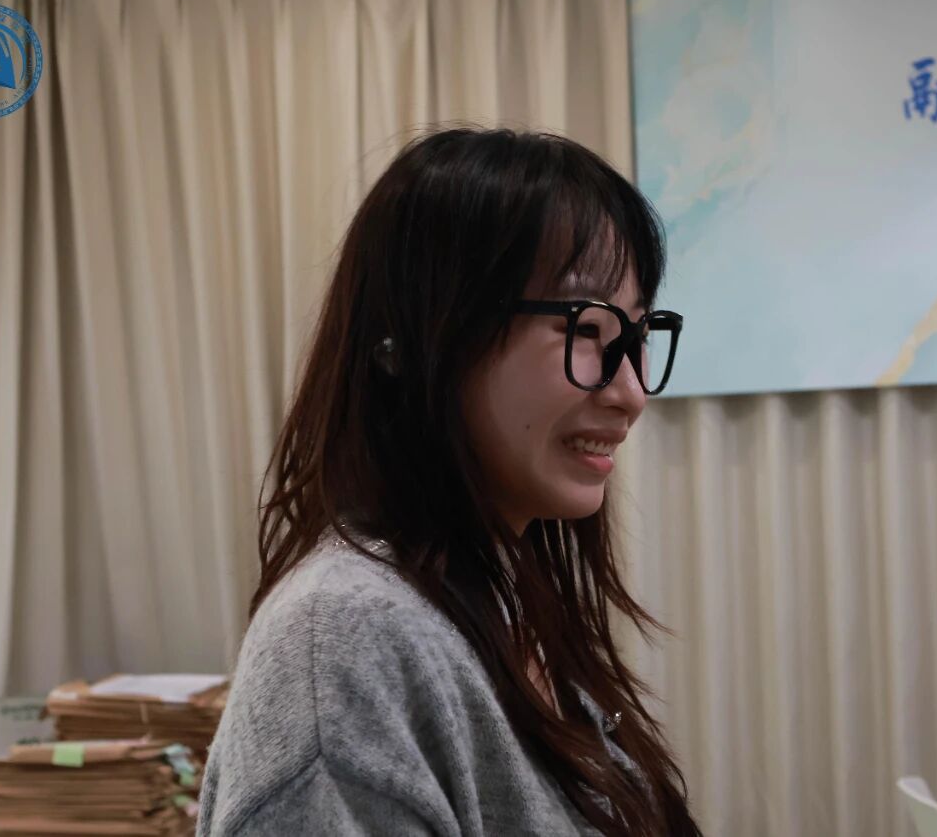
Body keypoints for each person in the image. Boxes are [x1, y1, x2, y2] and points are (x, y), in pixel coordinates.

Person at [196, 128, 700, 836]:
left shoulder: (503, 599)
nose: (631, 393)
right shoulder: (349, 638)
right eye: (586, 329)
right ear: (422, 336)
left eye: (637, 335)